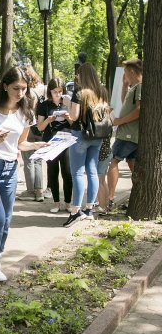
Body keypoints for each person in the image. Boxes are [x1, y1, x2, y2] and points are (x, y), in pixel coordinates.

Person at [0, 67, 46, 282]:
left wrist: (37, 145)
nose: (20, 92)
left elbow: (21, 143)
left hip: (10, 169)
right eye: (16, 88)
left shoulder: (25, 112)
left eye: (24, 88)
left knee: (6, 220)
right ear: (5, 86)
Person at [63, 63, 109, 227]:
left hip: (80, 135)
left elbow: (74, 117)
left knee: (77, 172)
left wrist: (67, 110)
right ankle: (89, 209)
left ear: (82, 76)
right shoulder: (102, 91)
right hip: (98, 135)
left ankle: (75, 211)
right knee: (92, 171)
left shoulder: (79, 93)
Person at [108, 58, 142, 210]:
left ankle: (110, 198)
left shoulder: (140, 87)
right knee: (131, 163)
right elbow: (126, 103)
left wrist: (120, 121)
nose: (125, 75)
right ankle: (139, 195)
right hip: (130, 134)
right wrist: (124, 85)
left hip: (128, 134)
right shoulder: (134, 87)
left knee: (113, 161)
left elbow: (139, 111)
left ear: (133, 72)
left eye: (126, 72)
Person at [35, 78, 73, 213]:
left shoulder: (68, 102)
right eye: (54, 91)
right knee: (52, 172)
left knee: (67, 172)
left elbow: (75, 123)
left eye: (60, 91)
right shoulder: (44, 105)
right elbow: (39, 127)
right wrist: (49, 119)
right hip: (50, 141)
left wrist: (68, 117)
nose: (57, 94)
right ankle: (56, 203)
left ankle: (68, 203)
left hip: (66, 140)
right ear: (49, 91)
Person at [18, 65, 46, 203]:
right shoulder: (42, 89)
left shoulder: (28, 93)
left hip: (29, 127)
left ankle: (30, 191)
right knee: (38, 160)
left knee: (29, 159)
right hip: (41, 127)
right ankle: (39, 190)